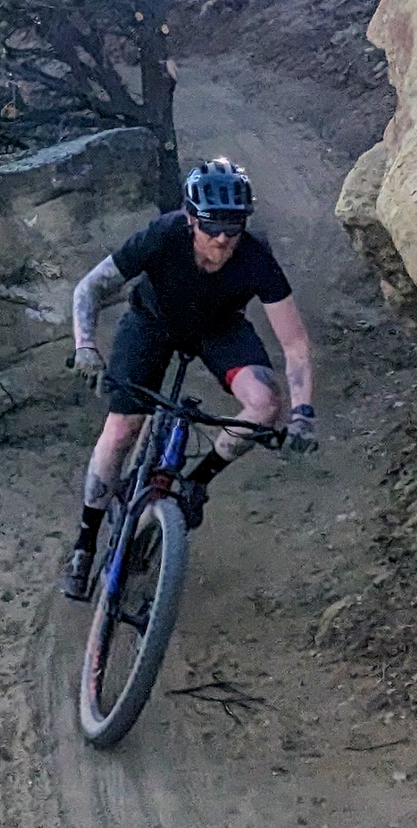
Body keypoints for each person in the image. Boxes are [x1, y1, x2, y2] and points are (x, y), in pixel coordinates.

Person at [62, 156, 316, 596]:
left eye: (233, 227)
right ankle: (85, 543)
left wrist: (303, 415)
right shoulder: (163, 236)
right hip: (151, 322)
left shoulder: (256, 257)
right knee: (123, 427)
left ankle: (196, 483)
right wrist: (85, 345)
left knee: (265, 404)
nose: (222, 238)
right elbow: (91, 287)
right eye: (212, 226)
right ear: (190, 217)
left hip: (219, 328)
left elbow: (295, 345)